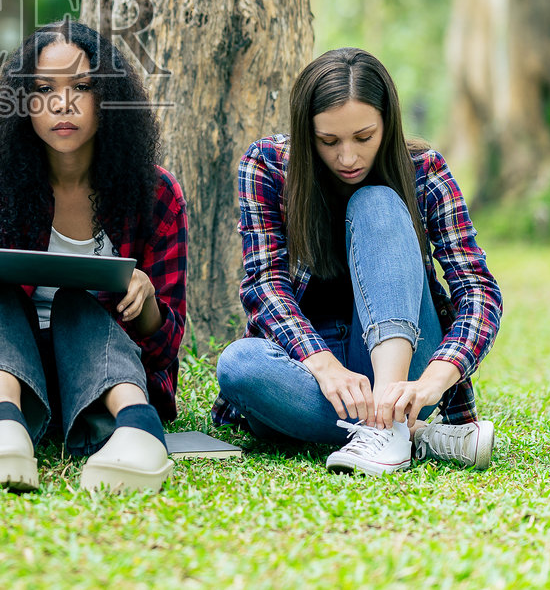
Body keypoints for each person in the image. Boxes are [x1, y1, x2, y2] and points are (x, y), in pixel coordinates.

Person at [0, 20, 188, 494]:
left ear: (107, 97)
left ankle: (139, 432)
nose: (63, 104)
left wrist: (145, 303)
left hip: (103, 379)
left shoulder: (155, 192)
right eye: (44, 89)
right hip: (4, 380)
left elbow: (166, 348)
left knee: (75, 303)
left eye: (82, 87)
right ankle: (5, 434)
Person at [214, 47, 502, 475]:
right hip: (310, 372)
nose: (347, 158)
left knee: (379, 203)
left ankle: (388, 429)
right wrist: (324, 364)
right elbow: (264, 284)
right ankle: (416, 436)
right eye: (328, 141)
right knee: (239, 364)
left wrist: (437, 378)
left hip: (407, 373)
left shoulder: (425, 172)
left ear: (388, 122)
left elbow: (478, 290)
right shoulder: (269, 166)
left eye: (364, 137)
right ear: (305, 131)